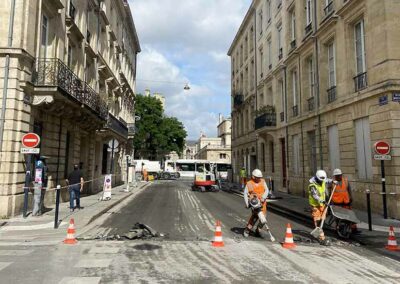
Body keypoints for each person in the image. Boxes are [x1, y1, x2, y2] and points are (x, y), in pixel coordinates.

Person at [331, 168, 359, 233]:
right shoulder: (332, 182)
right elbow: (329, 192)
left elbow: (349, 189)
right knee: (338, 217)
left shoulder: (345, 181)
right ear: (335, 176)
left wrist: (351, 197)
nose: (338, 176)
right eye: (337, 175)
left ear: (341, 175)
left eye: (339, 175)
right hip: (337, 203)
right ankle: (338, 229)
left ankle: (353, 229)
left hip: (346, 202)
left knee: (350, 216)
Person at [243, 169, 269, 238]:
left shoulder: (263, 181)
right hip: (255, 203)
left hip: (262, 203)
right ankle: (247, 230)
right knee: (254, 218)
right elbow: (245, 194)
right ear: (253, 177)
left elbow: (266, 190)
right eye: (258, 177)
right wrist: (247, 204)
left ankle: (258, 230)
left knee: (263, 219)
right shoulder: (249, 183)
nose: (259, 179)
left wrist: (263, 197)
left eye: (260, 177)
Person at [308, 170, 332, 244]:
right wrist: (322, 201)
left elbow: (327, 180)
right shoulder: (312, 185)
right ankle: (322, 238)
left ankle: (319, 233)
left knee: (322, 220)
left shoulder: (323, 180)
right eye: (320, 180)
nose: (322, 182)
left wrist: (333, 181)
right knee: (318, 221)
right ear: (317, 178)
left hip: (322, 205)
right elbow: (314, 195)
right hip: (315, 205)